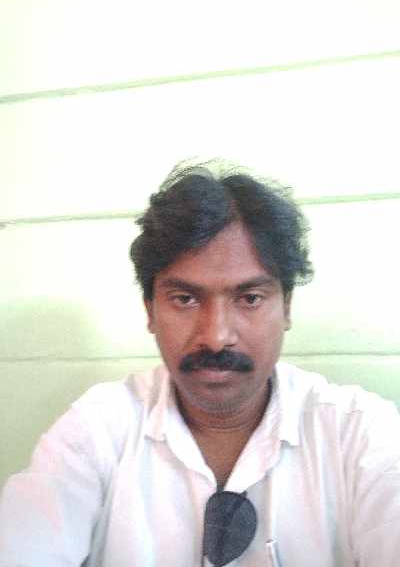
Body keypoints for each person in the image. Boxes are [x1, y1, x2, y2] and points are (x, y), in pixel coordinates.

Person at [0, 161, 399, 567]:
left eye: (250, 299)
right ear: (150, 311)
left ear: (287, 307)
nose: (216, 336)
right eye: (185, 299)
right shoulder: (96, 431)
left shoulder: (360, 435)